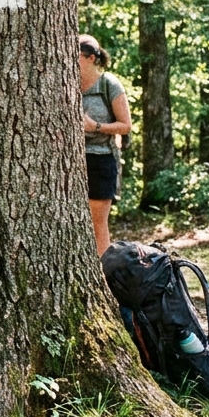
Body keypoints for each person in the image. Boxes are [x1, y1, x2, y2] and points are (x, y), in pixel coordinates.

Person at [78, 35, 131, 256]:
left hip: (101, 160)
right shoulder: (64, 83)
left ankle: (105, 276)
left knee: (97, 225)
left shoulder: (108, 84)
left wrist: (95, 127)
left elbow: (126, 126)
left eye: (75, 56)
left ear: (91, 58)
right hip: (71, 164)